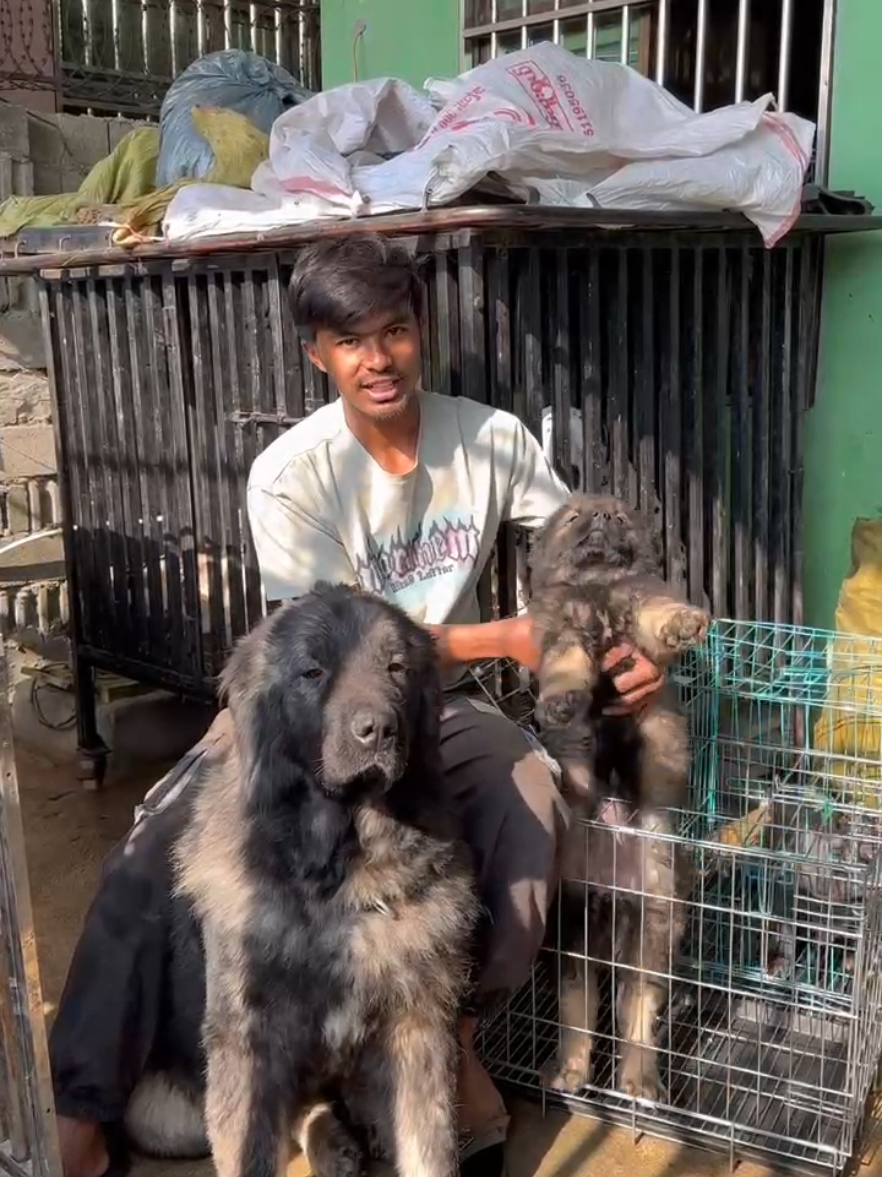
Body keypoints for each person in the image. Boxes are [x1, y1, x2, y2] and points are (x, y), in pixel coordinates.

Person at [50, 233, 665, 1177]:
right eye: (351, 342)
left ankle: (448, 1041)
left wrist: (624, 639)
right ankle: (83, 1112)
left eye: (396, 331)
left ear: (422, 333)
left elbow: (581, 549)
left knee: (528, 807)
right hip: (305, 708)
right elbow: (320, 648)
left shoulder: (490, 438)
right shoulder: (293, 474)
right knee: (150, 856)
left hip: (438, 709)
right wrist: (504, 637)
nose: (378, 359)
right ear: (318, 354)